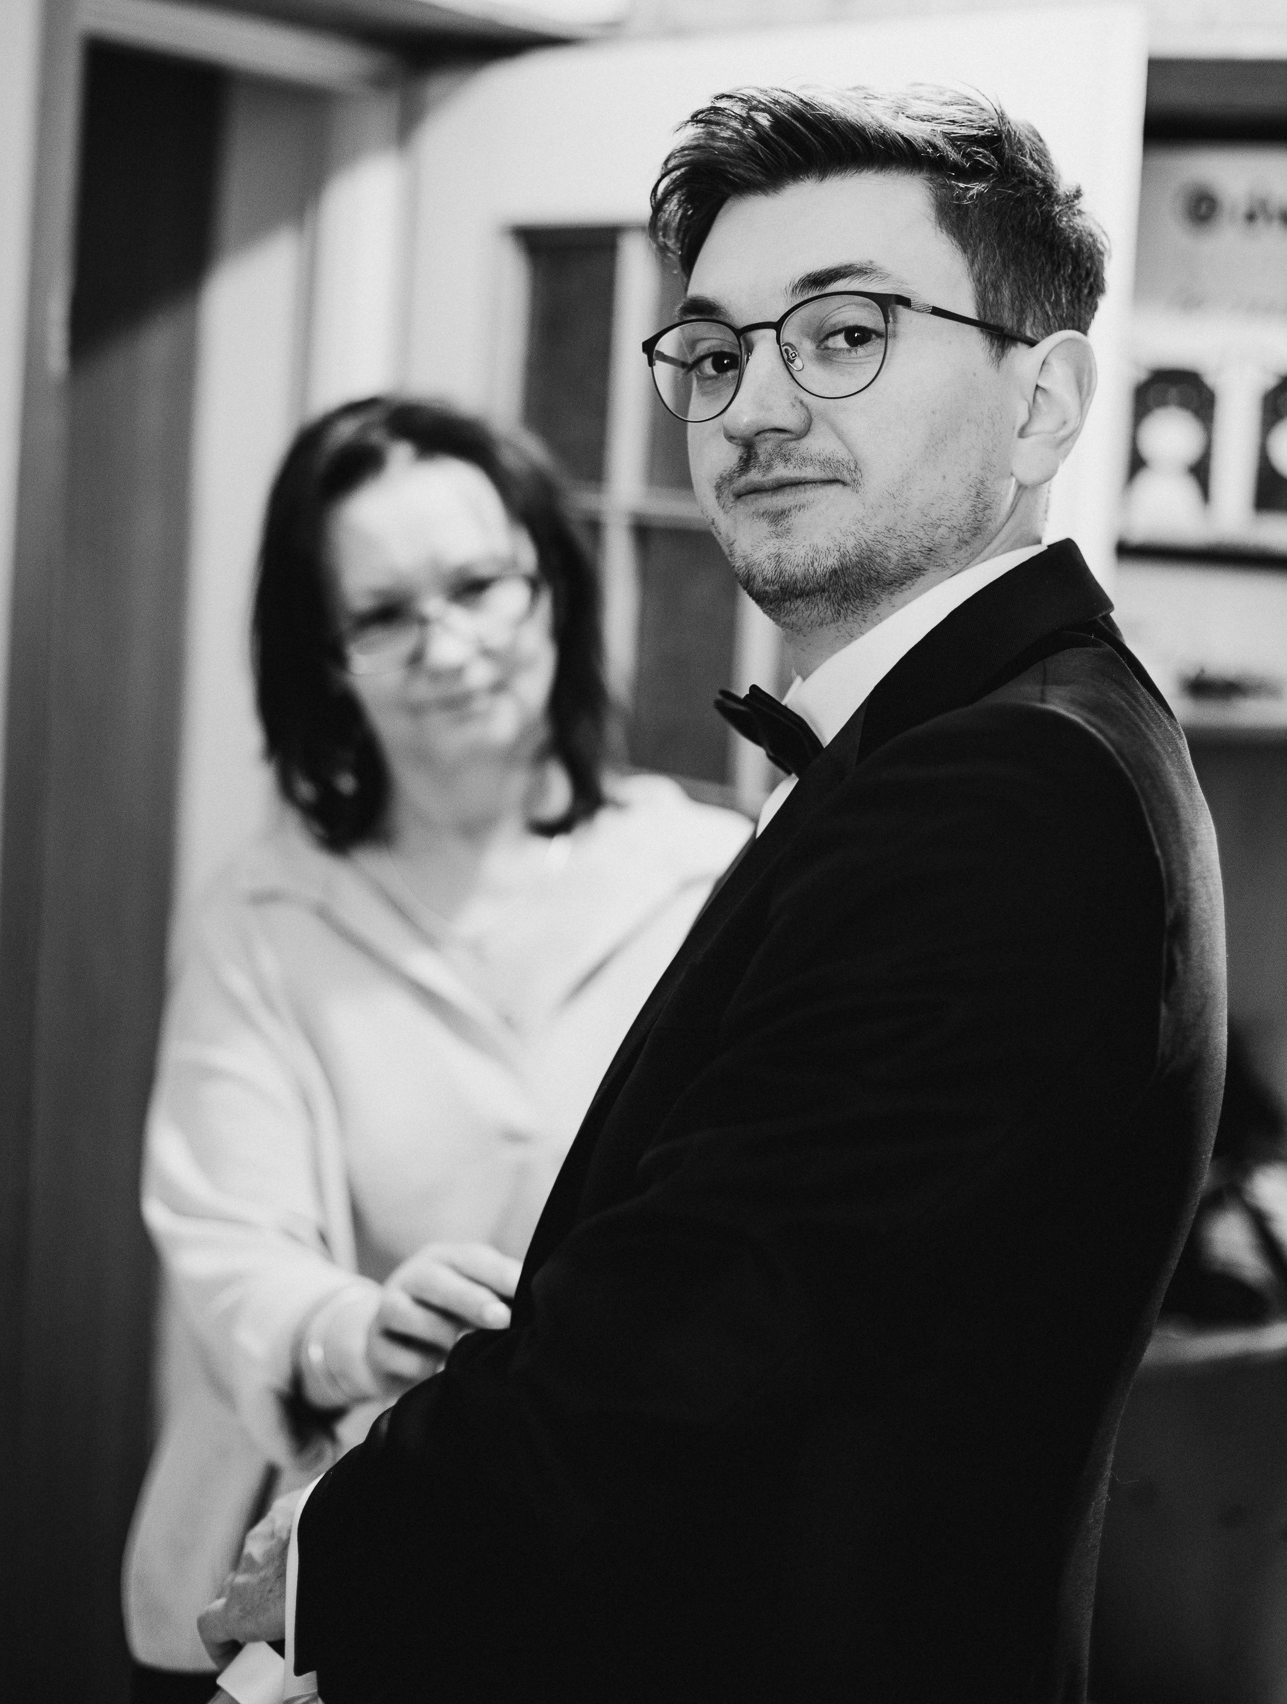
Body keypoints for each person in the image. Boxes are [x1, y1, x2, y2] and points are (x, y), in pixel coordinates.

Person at [200, 86, 1227, 1704]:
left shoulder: (1001, 786)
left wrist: (342, 1542)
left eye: (842, 334)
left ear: (1043, 403)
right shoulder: (983, 741)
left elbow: (714, 1336)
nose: (752, 406)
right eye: (713, 351)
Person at [122, 397, 750, 1697]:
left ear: (551, 585)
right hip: (317, 1582)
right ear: (325, 657)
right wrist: (357, 1330)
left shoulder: (710, 879)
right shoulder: (266, 914)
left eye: (477, 587)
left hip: (626, 1576)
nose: (449, 647)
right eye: (384, 614)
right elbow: (226, 1241)